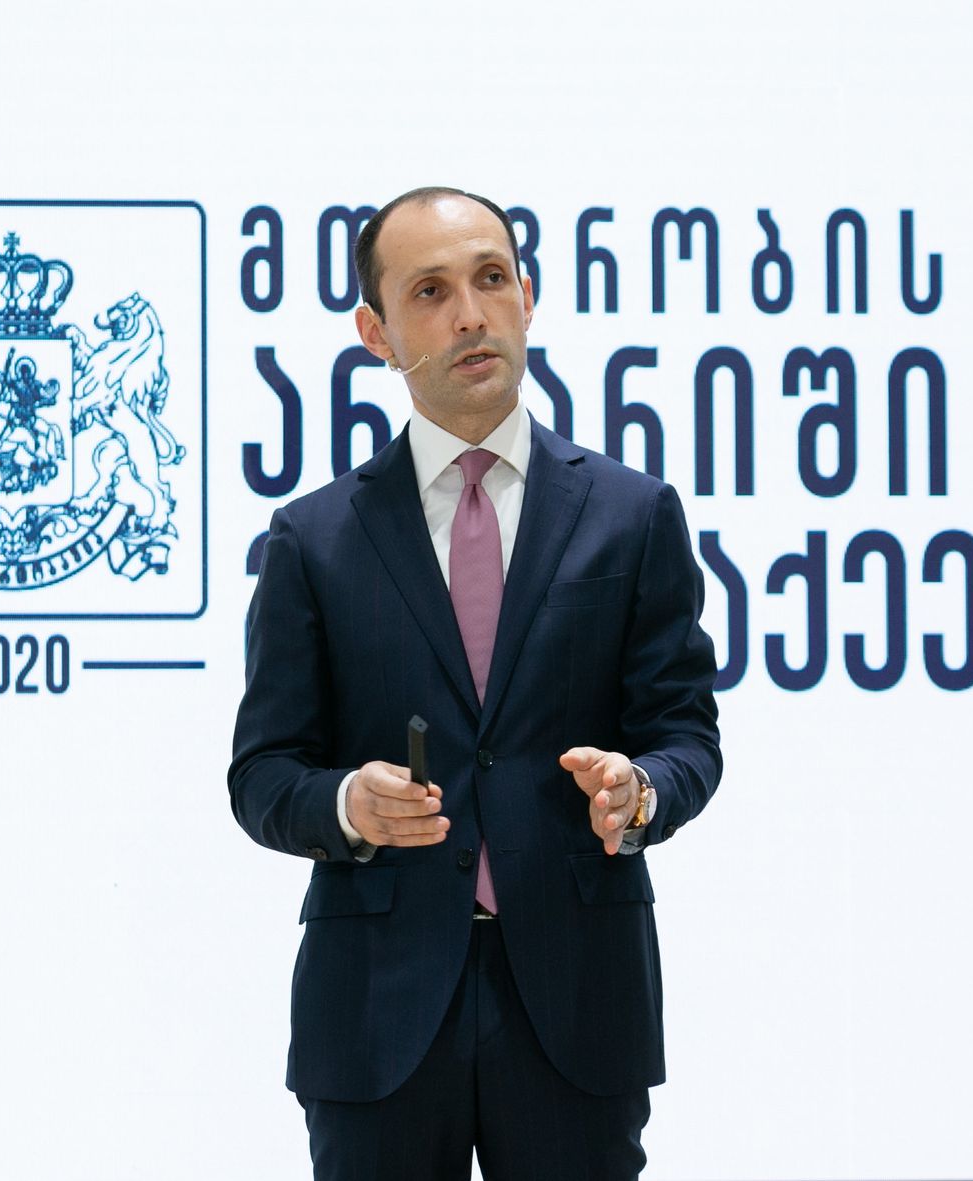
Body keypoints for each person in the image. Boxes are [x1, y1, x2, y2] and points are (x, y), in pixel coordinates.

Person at [228, 186, 723, 1180]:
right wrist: (348, 803)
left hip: (578, 1003)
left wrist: (640, 790)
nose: (469, 315)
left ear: (526, 299)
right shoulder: (313, 540)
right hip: (376, 1008)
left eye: (492, 279)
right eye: (430, 291)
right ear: (375, 332)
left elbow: (686, 736)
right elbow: (262, 775)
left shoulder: (632, 515)